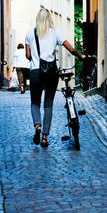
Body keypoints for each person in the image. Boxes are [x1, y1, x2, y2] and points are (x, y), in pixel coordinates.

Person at [25, 8, 85, 147]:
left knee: (35, 103)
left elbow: (28, 56)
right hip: (51, 73)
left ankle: (37, 126)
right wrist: (80, 57)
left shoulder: (29, 33)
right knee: (48, 105)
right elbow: (71, 48)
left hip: (35, 72)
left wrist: (35, 56)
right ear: (49, 19)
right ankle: (45, 137)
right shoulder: (55, 32)